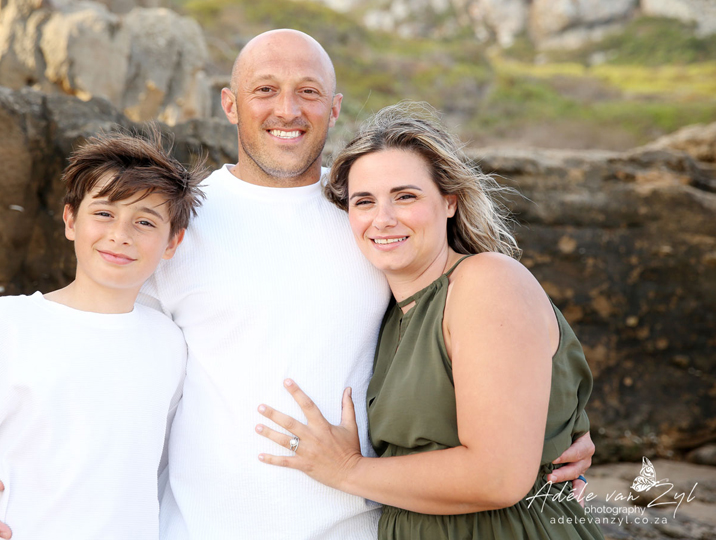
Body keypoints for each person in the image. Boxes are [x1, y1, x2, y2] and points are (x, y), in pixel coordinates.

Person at [0, 30, 595, 540]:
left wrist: (557, 427)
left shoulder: (364, 222)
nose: (287, 109)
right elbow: (100, 349)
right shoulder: (174, 228)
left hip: (362, 530)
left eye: (308, 92)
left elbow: (481, 335)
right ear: (230, 104)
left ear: (333, 109)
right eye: (265, 90)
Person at [255, 103, 604, 539]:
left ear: (450, 202)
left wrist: (346, 470)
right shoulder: (387, 312)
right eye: (364, 201)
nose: (383, 219)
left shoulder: (487, 281)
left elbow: (498, 477)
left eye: (406, 196)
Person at [0, 130, 206, 540]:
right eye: (104, 213)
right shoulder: (4, 327)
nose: (120, 234)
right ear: (70, 220)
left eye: (144, 222)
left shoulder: (170, 344)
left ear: (172, 242)